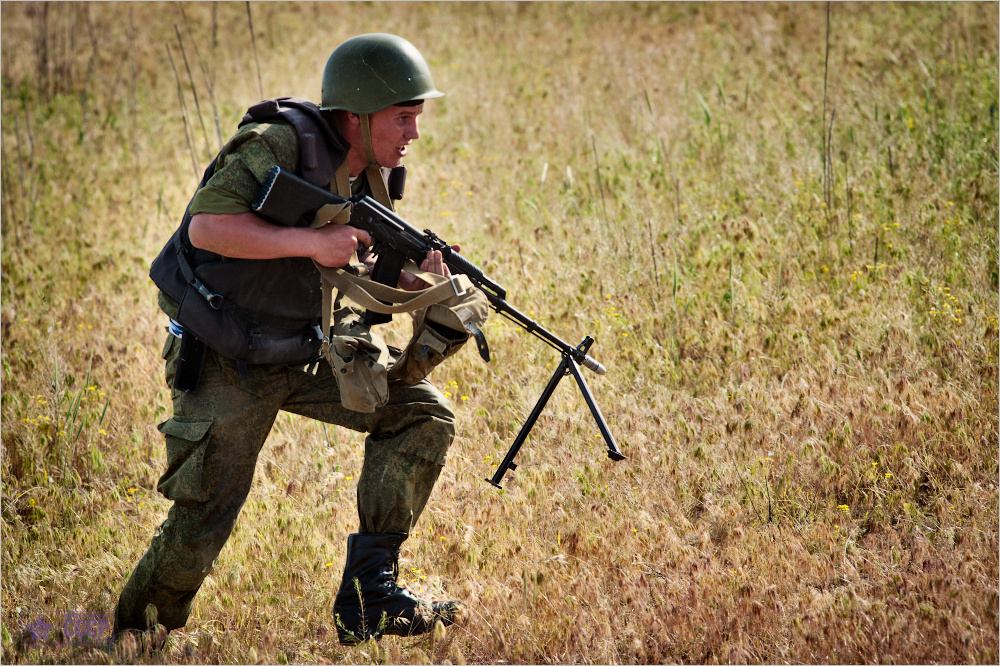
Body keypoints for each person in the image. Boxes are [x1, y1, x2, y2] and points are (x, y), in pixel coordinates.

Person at [114, 33, 466, 647]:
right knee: (208, 509)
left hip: (303, 344)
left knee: (421, 415)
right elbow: (206, 228)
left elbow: (348, 257)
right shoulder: (276, 143)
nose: (414, 133)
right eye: (403, 117)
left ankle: (368, 600)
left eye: (417, 117)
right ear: (355, 116)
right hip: (226, 351)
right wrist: (310, 243)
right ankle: (134, 638)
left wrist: (418, 282)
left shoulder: (369, 174)